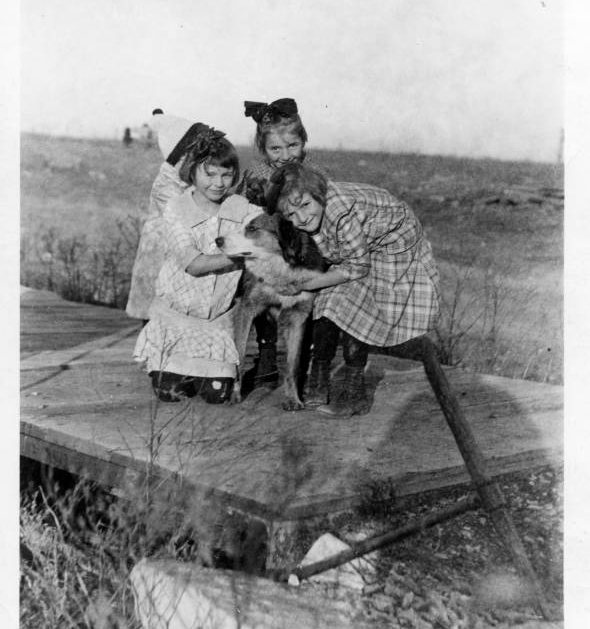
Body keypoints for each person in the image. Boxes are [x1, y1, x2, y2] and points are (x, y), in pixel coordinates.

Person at [267, 162, 441, 419]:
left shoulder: (340, 213)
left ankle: (354, 391)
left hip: (393, 245)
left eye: (304, 206)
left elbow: (357, 267)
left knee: (357, 310)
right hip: (361, 250)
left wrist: (306, 284)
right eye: (291, 214)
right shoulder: (317, 214)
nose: (301, 218)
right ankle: (318, 380)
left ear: (318, 195)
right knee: (328, 303)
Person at [133, 128, 258, 403]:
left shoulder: (239, 207)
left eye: (226, 175)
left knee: (217, 395)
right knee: (170, 393)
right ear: (192, 172)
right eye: (209, 174)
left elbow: (267, 227)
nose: (218, 183)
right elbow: (194, 265)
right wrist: (242, 256)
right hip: (176, 317)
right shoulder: (177, 208)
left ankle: (210, 374)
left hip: (216, 322)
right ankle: (168, 368)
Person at [235, 97, 331, 393]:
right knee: (255, 281)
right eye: (275, 149)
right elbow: (246, 218)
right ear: (263, 149)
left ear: (304, 142)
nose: (286, 155)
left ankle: (305, 368)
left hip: (306, 251)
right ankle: (265, 354)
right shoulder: (257, 176)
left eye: (292, 146)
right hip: (268, 251)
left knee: (313, 300)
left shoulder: (314, 174)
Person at [126, 110, 208, 322]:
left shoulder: (187, 180)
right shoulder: (166, 183)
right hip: (161, 249)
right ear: (178, 158)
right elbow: (181, 213)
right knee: (155, 300)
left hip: (178, 251)